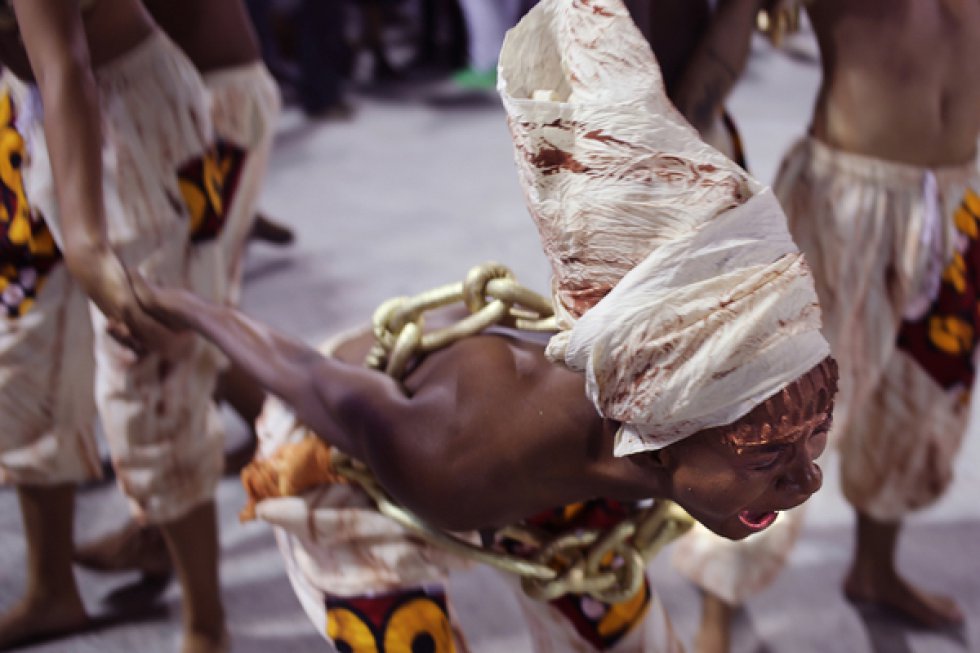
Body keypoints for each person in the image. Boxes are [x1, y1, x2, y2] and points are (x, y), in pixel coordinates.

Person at [128, 1, 838, 649]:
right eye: (769, 458)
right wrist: (187, 310)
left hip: (565, 477)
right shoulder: (460, 453)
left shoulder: (675, 422)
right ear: (657, 440)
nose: (807, 480)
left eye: (811, 438)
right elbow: (313, 379)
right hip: (359, 462)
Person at [674, 0, 980, 647]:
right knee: (779, 419)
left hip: (959, 200)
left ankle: (875, 569)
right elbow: (729, 37)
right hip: (844, 205)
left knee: (924, 404)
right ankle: (716, 616)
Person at [0, 1, 233, 650]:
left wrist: (86, 244)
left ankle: (206, 624)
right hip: (32, 109)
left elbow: (65, 61)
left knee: (153, 370)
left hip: (128, 116)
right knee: (26, 353)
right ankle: (52, 589)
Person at [70, 0, 286, 583]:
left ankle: (170, 537)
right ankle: (292, 445)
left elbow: (76, 58)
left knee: (174, 333)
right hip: (207, 96)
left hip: (206, 101)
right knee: (195, 324)